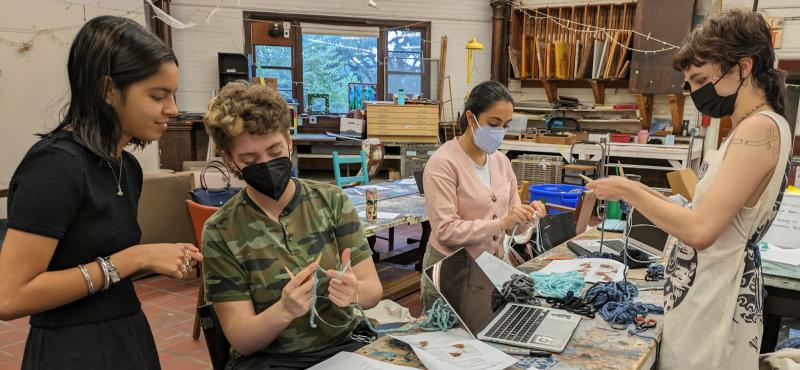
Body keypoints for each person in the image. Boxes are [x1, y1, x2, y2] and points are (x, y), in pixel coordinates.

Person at [586, 10, 792, 369]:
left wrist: (629, 191)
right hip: (704, 293)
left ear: (743, 67)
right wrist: (633, 188)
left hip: (713, 301)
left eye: (700, 79)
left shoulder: (758, 129)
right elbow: (704, 211)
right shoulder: (757, 125)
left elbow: (699, 230)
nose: (695, 93)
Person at [0, 16, 203, 370]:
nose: (172, 108)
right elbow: (10, 295)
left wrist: (158, 256)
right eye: (157, 95)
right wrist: (134, 259)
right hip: (72, 349)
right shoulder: (56, 166)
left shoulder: (126, 166)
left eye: (172, 94)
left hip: (125, 332)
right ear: (108, 90)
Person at [201, 82, 383, 369]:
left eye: (275, 151)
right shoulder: (221, 231)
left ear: (289, 140)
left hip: (345, 347)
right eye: (250, 159)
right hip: (270, 360)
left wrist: (356, 292)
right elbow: (242, 339)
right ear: (230, 160)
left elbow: (373, 289)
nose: (266, 164)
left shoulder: (331, 201)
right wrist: (283, 311)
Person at [420, 80, 547, 309]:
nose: (500, 132)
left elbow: (511, 226)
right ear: (471, 118)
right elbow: (445, 231)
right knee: (448, 341)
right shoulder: (443, 164)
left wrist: (528, 217)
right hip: (451, 273)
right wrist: (502, 223)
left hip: (491, 271)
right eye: (494, 123)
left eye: (506, 125)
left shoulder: (501, 162)